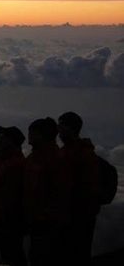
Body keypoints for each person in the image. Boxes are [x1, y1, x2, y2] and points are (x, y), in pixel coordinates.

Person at [58, 112, 100, 266]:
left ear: (70, 128)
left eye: (61, 125)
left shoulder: (83, 154)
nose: (58, 130)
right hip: (69, 214)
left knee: (77, 255)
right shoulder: (66, 152)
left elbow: (88, 186)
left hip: (79, 215)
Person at [24, 117, 67, 266]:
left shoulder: (54, 159)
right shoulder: (34, 157)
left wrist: (46, 214)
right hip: (36, 219)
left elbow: (59, 192)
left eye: (32, 132)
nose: (29, 135)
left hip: (47, 222)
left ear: (42, 135)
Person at [0, 127, 27, 266]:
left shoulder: (14, 164)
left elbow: (8, 196)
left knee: (11, 253)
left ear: (10, 142)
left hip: (9, 219)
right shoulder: (8, 161)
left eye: (2, 138)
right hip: (7, 218)